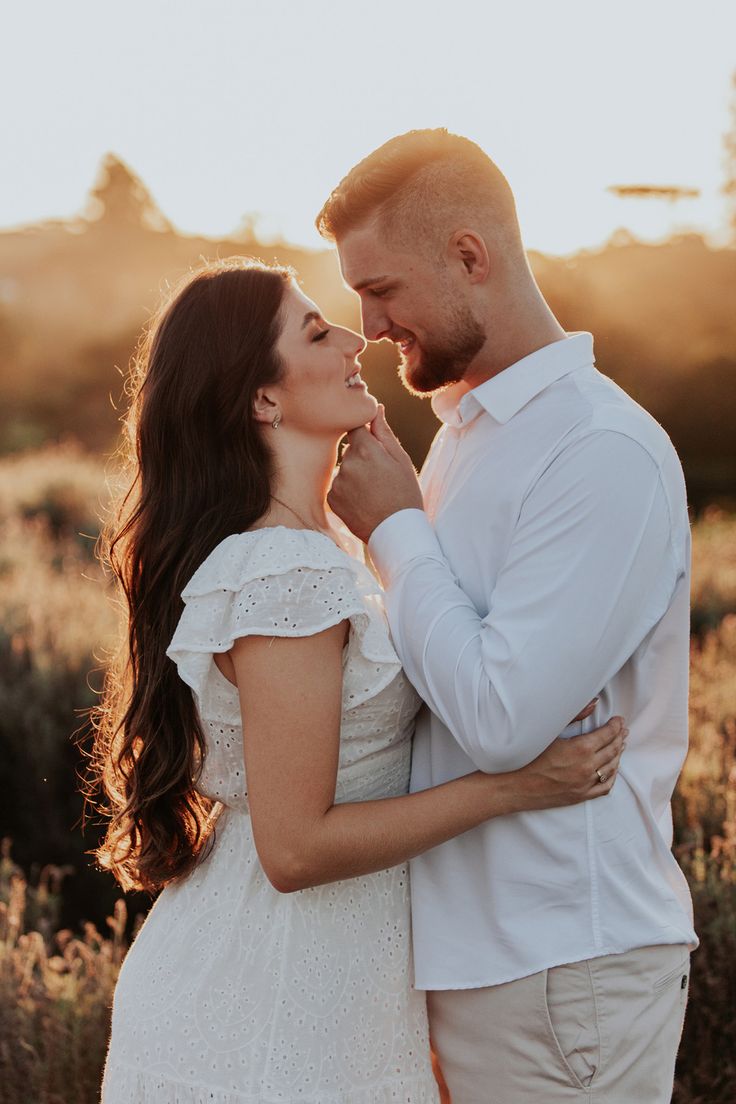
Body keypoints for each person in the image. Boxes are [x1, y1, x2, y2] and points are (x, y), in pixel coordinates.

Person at [93, 257, 625, 1103]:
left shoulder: (321, 554)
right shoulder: (281, 570)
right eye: (315, 332)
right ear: (263, 400)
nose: (355, 340)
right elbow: (296, 849)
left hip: (320, 989)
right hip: (266, 1010)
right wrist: (513, 787)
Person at [320, 128, 698, 1104]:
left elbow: (498, 717)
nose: (364, 324)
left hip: (563, 967)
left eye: (381, 287)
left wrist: (397, 530)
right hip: (480, 962)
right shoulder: (467, 437)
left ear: (468, 255)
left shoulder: (598, 450)